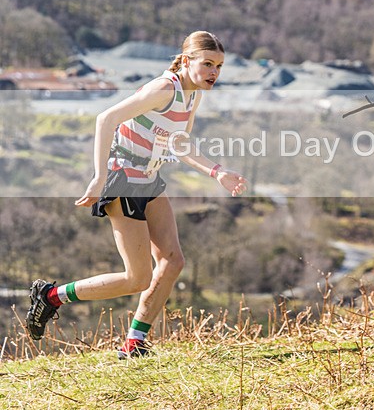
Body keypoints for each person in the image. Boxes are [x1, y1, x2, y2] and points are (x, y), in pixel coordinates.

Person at [25, 31, 248, 359]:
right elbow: (106, 118)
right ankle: (52, 296)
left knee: (173, 261)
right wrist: (100, 176)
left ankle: (134, 344)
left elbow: (179, 143)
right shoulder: (164, 88)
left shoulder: (192, 95)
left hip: (149, 178)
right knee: (137, 277)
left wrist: (217, 172)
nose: (214, 72)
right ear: (187, 61)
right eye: (208, 64)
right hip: (123, 180)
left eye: (219, 66)